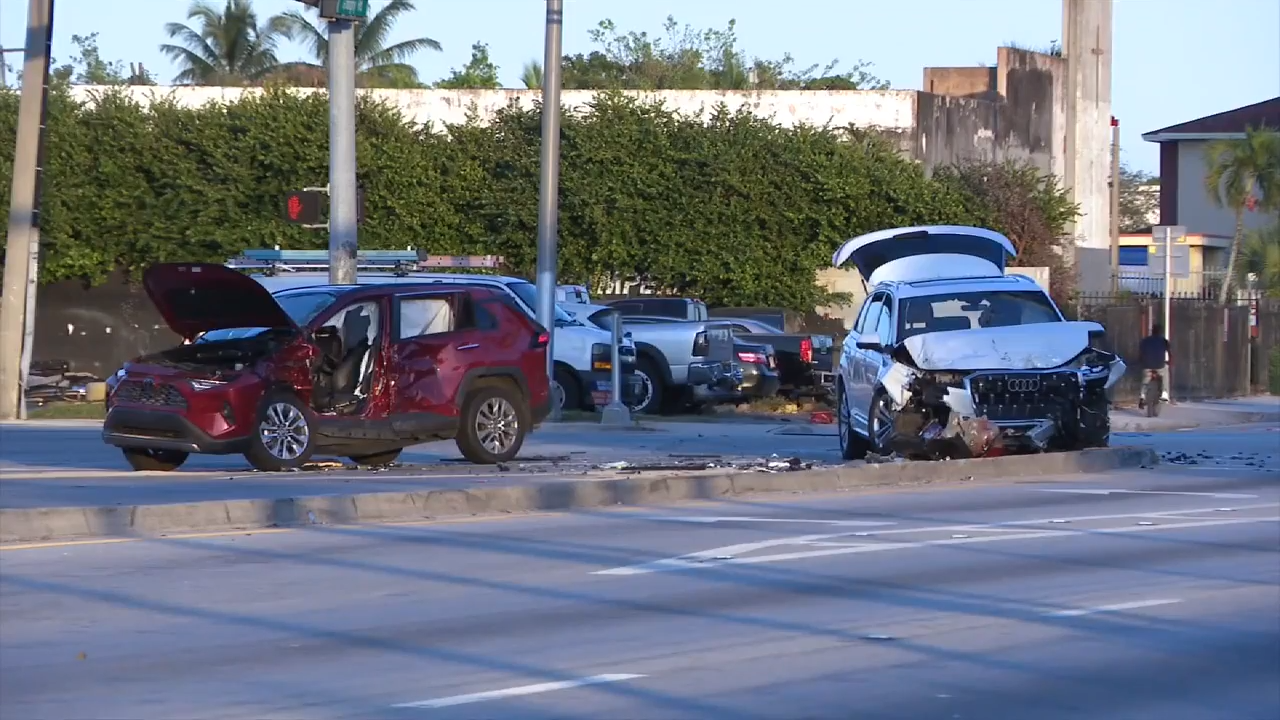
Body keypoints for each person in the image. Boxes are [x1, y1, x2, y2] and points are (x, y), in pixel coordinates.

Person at [1138, 323, 1171, 408]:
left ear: (1152, 331)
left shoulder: (1145, 341)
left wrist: (1141, 362)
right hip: (1160, 365)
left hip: (1147, 365)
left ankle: (1142, 396)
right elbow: (1170, 353)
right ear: (1160, 332)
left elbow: (1141, 354)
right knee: (1166, 371)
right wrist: (1170, 362)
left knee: (1145, 380)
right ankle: (1164, 393)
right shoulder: (1164, 341)